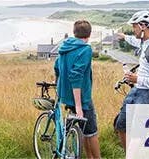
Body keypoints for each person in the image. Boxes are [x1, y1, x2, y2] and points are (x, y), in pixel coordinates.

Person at [116, 11, 149, 150]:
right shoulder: (144, 41)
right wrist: (123, 36)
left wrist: (137, 78)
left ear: (143, 26)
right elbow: (134, 40)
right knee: (121, 125)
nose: (133, 29)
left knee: (137, 133)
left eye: (134, 27)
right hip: (139, 89)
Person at [54, 20, 101, 158]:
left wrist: (58, 83)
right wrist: (79, 105)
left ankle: (89, 157)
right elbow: (76, 77)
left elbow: (57, 67)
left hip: (65, 96)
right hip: (80, 98)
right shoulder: (85, 49)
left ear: (74, 33)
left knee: (83, 129)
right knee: (91, 132)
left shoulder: (64, 47)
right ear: (89, 34)